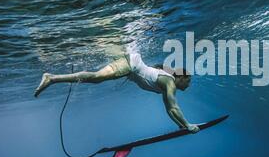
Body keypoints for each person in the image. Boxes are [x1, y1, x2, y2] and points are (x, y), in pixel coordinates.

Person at [34, 52, 200, 133]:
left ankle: (52, 78)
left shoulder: (167, 82)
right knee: (96, 78)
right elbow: (173, 108)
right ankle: (52, 78)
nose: (189, 84)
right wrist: (188, 125)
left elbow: (169, 108)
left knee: (96, 79)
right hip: (131, 64)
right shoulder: (169, 82)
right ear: (181, 77)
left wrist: (181, 125)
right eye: (189, 80)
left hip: (130, 67)